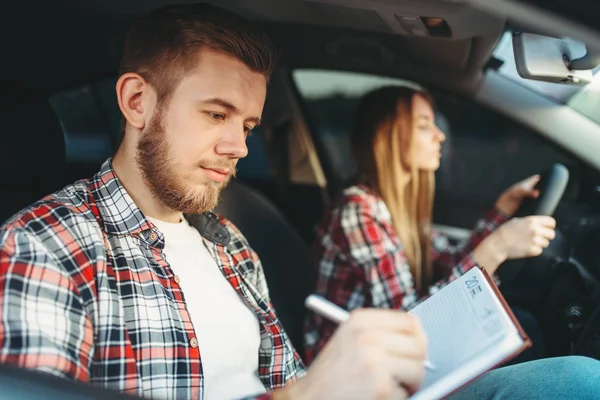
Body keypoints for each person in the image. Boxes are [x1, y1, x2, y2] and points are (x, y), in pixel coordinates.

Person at [0, 3, 599, 400]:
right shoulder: (44, 244)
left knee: (574, 380)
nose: (237, 145)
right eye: (216, 114)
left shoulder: (228, 244)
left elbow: (290, 385)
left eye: (250, 125)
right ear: (136, 102)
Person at [303, 86, 555, 364]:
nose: (440, 135)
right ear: (386, 136)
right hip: (353, 366)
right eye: (424, 126)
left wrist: (501, 210)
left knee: (523, 323)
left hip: (388, 352)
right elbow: (408, 321)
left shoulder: (394, 206)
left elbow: (447, 261)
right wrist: (497, 247)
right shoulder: (357, 211)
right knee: (524, 330)